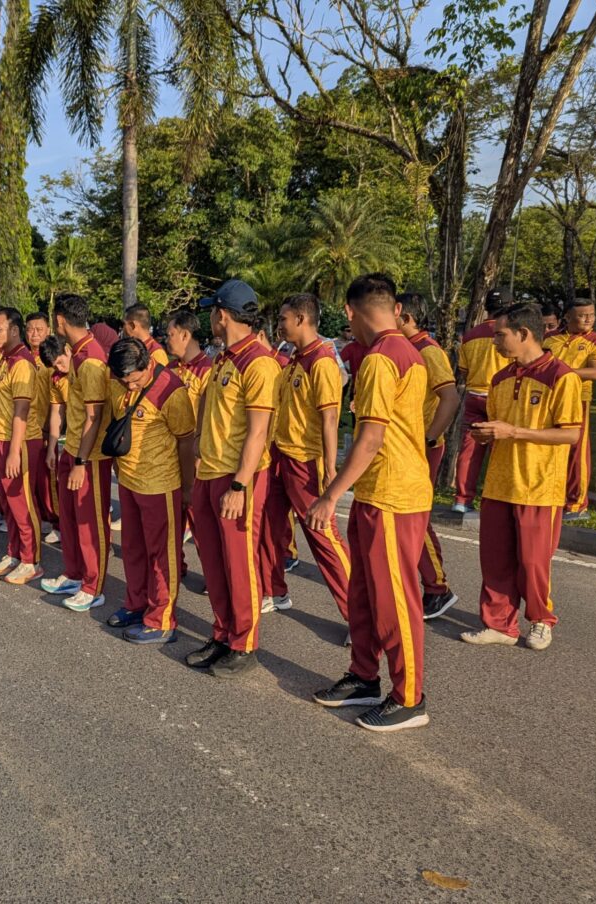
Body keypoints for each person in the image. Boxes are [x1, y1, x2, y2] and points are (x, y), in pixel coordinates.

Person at [308, 274, 432, 733]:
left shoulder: (382, 358)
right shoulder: (406, 351)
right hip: (377, 491)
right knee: (363, 594)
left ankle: (409, 698)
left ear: (350, 311)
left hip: (394, 496)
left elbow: (372, 437)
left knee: (395, 601)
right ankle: (363, 675)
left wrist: (330, 495)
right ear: (394, 308)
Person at [461, 303, 583, 652]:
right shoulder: (500, 378)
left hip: (539, 486)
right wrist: (488, 434)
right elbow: (500, 427)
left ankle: (541, 619)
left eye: (500, 334)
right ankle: (499, 624)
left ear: (524, 333)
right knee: (495, 560)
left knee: (532, 563)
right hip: (499, 483)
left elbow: (570, 434)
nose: (495, 341)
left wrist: (513, 431)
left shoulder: (562, 376)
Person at [185, 280, 280, 677]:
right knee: (214, 560)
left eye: (212, 311)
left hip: (238, 477)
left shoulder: (259, 363)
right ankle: (223, 633)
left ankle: (244, 643)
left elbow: (258, 431)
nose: (210, 318)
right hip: (210, 471)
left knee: (239, 563)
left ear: (222, 315)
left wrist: (240, 485)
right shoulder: (224, 358)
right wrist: (198, 442)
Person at [258, 293, 351, 630]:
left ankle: (359, 615)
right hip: (280, 455)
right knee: (269, 528)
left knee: (322, 536)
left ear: (301, 319)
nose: (279, 325)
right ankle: (273, 590)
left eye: (283, 319)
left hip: (306, 460)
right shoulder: (294, 359)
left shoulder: (322, 361)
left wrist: (330, 469)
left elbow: (330, 418)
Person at [105, 338, 198, 643]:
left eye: (135, 380)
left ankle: (161, 619)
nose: (130, 387)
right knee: (133, 548)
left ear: (147, 364)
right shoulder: (117, 383)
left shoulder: (171, 390)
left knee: (162, 554)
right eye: (125, 381)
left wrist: (187, 488)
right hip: (129, 480)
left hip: (161, 484)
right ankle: (136, 604)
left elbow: (186, 441)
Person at [41, 295, 114, 612]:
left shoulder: (92, 358)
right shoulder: (78, 353)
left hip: (91, 456)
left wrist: (81, 462)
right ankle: (73, 573)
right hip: (72, 447)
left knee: (89, 522)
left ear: (60, 321)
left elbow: (94, 417)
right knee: (69, 517)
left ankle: (93, 585)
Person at [397, 293, 462, 619]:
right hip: (404, 447)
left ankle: (437, 589)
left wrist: (428, 438)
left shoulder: (428, 351)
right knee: (402, 518)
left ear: (406, 317)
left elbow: (449, 398)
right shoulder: (404, 347)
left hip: (422, 447)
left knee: (415, 519)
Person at [0, 307, 45, 585]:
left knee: (22, 504)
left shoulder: (21, 362)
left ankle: (31, 561)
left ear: (14, 331)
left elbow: (22, 410)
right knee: (8, 503)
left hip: (19, 441)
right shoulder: (3, 359)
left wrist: (13, 451)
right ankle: (14, 552)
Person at [542, 298, 596, 520]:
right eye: (582, 315)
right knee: (547, 445)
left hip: (578, 399)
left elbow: (595, 372)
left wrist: (560, 373)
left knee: (577, 451)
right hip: (548, 397)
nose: (588, 319)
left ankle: (576, 503)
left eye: (591, 314)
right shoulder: (550, 338)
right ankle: (550, 495)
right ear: (567, 317)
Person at [453, 290, 509, 512]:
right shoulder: (508, 332)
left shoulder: (471, 334)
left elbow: (464, 370)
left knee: (469, 450)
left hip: (474, 393)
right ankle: (496, 499)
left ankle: (462, 499)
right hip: (499, 396)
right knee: (500, 449)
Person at [167, 310, 214, 562]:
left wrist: (198, 457)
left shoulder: (208, 370)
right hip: (169, 460)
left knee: (202, 526)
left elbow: (210, 419)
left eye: (170, 334)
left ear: (185, 335)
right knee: (170, 523)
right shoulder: (169, 369)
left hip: (197, 461)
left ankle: (213, 573)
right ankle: (175, 568)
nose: (167, 339)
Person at [25, 312, 60, 538]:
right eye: (30, 329)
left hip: (46, 428)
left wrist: (50, 429)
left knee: (49, 480)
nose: (34, 334)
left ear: (48, 331)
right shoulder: (23, 357)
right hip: (28, 428)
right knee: (33, 478)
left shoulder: (52, 360)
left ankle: (56, 522)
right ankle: (38, 517)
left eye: (39, 329)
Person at [37, 335, 68, 546]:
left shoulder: (86, 368)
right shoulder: (57, 378)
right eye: (55, 366)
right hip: (72, 442)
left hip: (92, 446)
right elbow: (57, 412)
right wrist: (51, 449)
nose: (59, 367)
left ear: (67, 350)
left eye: (60, 362)